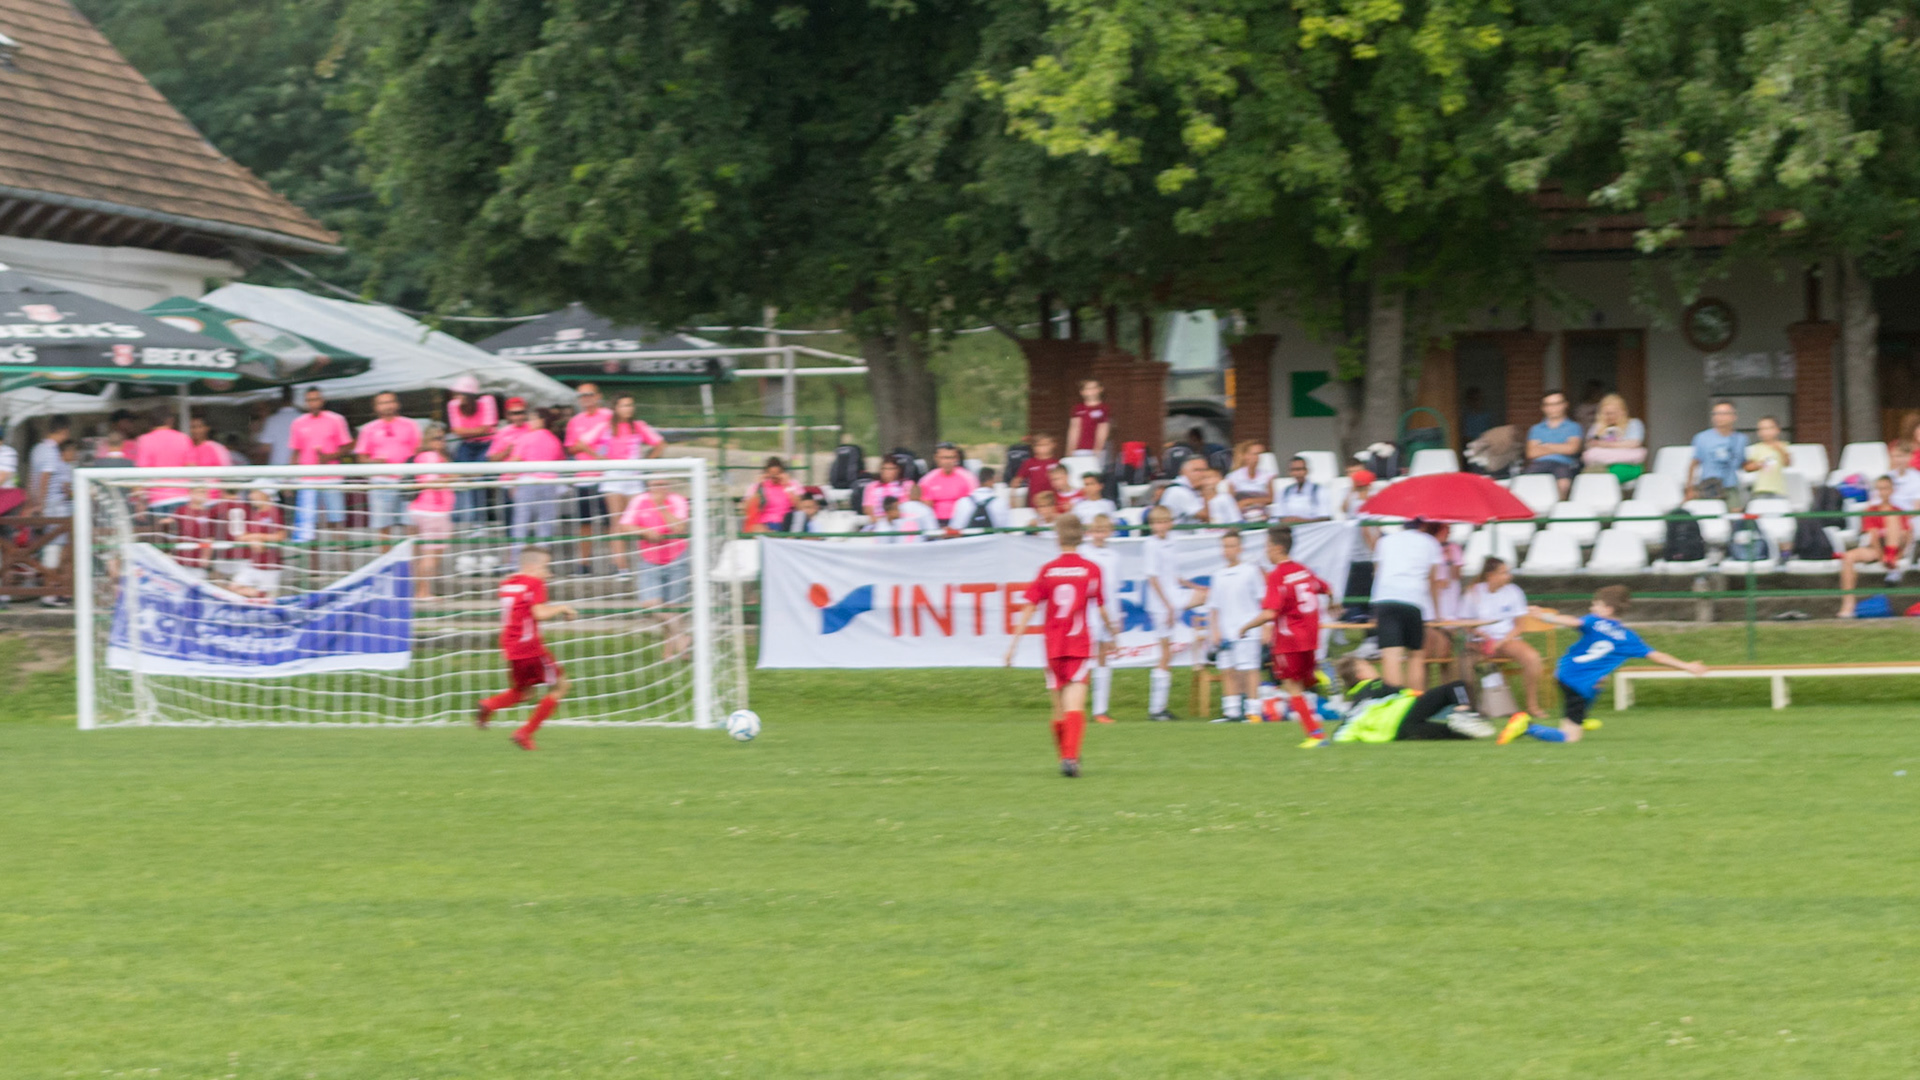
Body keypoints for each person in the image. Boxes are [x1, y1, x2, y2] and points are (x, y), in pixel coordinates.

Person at [1501, 586, 1706, 744]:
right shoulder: (1628, 637)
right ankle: (1526, 726)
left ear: (1607, 609)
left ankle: (1578, 718)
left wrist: (1544, 616)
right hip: (1577, 684)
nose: (1592, 608)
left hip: (1565, 671)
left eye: (1596, 605)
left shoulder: (1593, 621)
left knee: (1600, 679)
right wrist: (1687, 666)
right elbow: (1658, 657)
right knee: (1570, 738)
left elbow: (1572, 622)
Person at [1005, 515, 1115, 778]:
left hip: (1053, 646)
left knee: (1058, 709)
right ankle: (1070, 757)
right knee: (1075, 706)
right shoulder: (1092, 569)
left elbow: (1029, 608)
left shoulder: (1047, 570)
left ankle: (1065, 756)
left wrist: (1013, 644)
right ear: (1082, 536)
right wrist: (1112, 635)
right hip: (1078, 645)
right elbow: (1100, 608)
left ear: (1058, 537)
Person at [474, 547, 578, 751]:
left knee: (524, 692)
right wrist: (562, 608)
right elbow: (538, 613)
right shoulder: (535, 583)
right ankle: (524, 733)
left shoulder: (507, 584)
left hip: (511, 647)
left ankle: (489, 704)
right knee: (561, 686)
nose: (547, 573)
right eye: (545, 567)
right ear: (533, 566)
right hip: (530, 648)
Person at [1239, 525, 1331, 739]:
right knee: (1299, 681)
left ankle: (1316, 735)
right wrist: (1334, 603)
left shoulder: (1277, 575)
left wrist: (1245, 627)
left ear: (1278, 548)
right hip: (1311, 638)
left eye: (1267, 547)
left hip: (1289, 640)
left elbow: (1270, 614)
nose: (1266, 551)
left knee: (1291, 686)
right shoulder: (1303, 569)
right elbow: (1326, 588)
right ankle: (1315, 675)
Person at [1319, 655, 1494, 745]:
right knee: (1456, 687)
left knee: (1457, 734)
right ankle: (1464, 713)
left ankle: (1464, 723)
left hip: (1401, 732)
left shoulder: (1357, 702)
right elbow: (1405, 693)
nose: (1373, 668)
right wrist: (1420, 695)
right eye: (1368, 665)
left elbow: (1342, 733)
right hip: (1407, 711)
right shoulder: (1374, 685)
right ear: (1360, 674)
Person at [1459, 556, 1544, 717]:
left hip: (1507, 640)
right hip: (1480, 641)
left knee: (1532, 658)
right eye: (1504, 573)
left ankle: (1532, 706)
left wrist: (1501, 642)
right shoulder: (1473, 592)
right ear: (1491, 575)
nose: (1509, 576)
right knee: (1465, 662)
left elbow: (1519, 625)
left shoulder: (1514, 592)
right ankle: (1471, 707)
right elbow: (1465, 623)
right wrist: (1480, 634)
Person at [1370, 518, 1446, 691]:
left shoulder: (1385, 541)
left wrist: (1374, 610)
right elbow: (1433, 580)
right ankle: (1414, 702)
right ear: (1424, 524)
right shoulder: (1430, 543)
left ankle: (1394, 703)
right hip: (1413, 598)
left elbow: (1377, 572)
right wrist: (1437, 612)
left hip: (1385, 598)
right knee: (1415, 655)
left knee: (1391, 654)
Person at [591, 393, 666, 565]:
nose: (628, 409)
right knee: (617, 522)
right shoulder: (606, 426)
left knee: (641, 520)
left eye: (630, 405)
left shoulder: (638, 426)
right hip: (614, 477)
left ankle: (647, 561)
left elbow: (660, 443)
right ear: (616, 408)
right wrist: (598, 457)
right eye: (624, 405)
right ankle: (621, 567)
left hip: (633, 478)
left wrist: (647, 462)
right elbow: (582, 443)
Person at [617, 482, 690, 657]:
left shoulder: (678, 501)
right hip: (649, 559)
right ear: (648, 486)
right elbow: (624, 526)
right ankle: (681, 639)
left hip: (676, 558)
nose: (659, 488)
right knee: (651, 605)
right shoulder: (639, 501)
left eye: (663, 484)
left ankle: (669, 653)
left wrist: (661, 508)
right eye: (655, 485)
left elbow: (679, 527)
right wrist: (645, 531)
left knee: (673, 608)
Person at [1204, 529, 1267, 722]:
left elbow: (1262, 601)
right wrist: (1214, 630)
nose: (1228, 550)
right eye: (1225, 546)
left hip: (1247, 629)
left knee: (1249, 669)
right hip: (1225, 630)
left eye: (1232, 546)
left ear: (1240, 548)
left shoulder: (1250, 571)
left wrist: (1265, 628)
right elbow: (1214, 606)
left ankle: (1253, 711)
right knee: (1228, 670)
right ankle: (1231, 711)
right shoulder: (1218, 575)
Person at [494, 406, 566, 564]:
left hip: (527, 483)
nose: (529, 422)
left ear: (541, 420)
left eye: (532, 418)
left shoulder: (526, 438)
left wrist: (511, 481)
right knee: (545, 525)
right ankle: (542, 563)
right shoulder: (554, 440)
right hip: (549, 484)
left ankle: (516, 563)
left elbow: (516, 460)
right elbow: (560, 461)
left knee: (521, 524)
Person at [1142, 505, 1193, 721]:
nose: (1161, 526)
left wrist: (1195, 587)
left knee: (1210, 596)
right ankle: (1157, 709)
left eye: (1164, 521)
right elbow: (1153, 578)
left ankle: (1159, 708)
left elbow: (1175, 576)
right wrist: (1169, 606)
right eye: (1157, 522)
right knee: (1165, 652)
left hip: (1175, 595)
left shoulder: (1171, 543)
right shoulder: (1151, 545)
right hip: (1161, 603)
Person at [355, 392, 422, 547]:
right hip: (381, 482)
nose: (387, 406)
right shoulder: (368, 429)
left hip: (407, 481)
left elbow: (419, 452)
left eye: (390, 402)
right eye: (383, 403)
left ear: (397, 404)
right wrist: (374, 462)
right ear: (376, 407)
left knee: (411, 525)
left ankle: (411, 567)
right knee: (383, 527)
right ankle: (387, 567)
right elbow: (361, 458)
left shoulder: (410, 425)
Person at [287, 387, 353, 545]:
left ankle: (343, 564)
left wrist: (329, 457)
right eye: (309, 400)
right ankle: (314, 568)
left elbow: (347, 446)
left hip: (332, 477)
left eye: (316, 399)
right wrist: (289, 479)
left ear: (322, 401)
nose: (313, 403)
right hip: (307, 480)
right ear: (305, 403)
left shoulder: (336, 419)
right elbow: (296, 452)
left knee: (337, 521)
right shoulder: (298, 423)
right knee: (310, 524)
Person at [1840, 475, 1907, 616]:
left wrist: (1900, 554)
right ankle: (1848, 603)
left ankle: (1891, 555)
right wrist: (1881, 555)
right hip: (1877, 550)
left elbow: (1906, 535)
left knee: (1892, 519)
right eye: (1879, 489)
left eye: (1885, 488)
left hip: (1894, 549)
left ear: (1892, 490)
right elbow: (1873, 536)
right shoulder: (1871, 510)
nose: (1882, 492)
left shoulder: (1899, 511)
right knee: (1848, 557)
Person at [1077, 513, 1122, 724]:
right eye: (1096, 530)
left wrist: (1116, 616)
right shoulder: (1083, 553)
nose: (1099, 535)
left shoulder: (1114, 556)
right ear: (1090, 531)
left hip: (1107, 611)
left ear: (1109, 532)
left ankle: (1100, 710)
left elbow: (1114, 589)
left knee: (1104, 658)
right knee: (1084, 658)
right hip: (1088, 611)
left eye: (1103, 530)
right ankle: (1076, 706)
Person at [562, 383, 613, 566]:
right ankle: (584, 562)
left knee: (610, 521)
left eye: (589, 394)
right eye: (581, 395)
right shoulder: (575, 421)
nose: (586, 398)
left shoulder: (609, 416)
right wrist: (586, 448)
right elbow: (571, 447)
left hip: (606, 476)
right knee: (585, 522)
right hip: (584, 478)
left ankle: (615, 562)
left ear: (598, 396)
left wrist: (587, 448)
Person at [409, 424, 455, 599]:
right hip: (432, 511)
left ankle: (423, 590)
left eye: (443, 438)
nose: (441, 442)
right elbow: (430, 482)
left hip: (431, 510)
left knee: (432, 554)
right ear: (428, 440)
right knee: (430, 554)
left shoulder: (432, 456)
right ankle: (422, 592)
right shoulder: (430, 456)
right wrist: (451, 479)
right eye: (437, 438)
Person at [446, 375, 500, 525]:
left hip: (486, 444)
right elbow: (458, 431)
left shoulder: (487, 401)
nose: (457, 397)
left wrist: (467, 431)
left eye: (460, 393)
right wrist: (477, 431)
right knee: (459, 477)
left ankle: (479, 521)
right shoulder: (453, 405)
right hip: (468, 445)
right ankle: (461, 517)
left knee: (478, 479)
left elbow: (486, 429)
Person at [225, 481, 287, 598]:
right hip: (253, 564)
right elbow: (241, 537)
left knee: (268, 601)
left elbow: (281, 536)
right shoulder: (254, 514)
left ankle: (261, 595)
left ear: (264, 493)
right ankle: (259, 594)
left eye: (253, 492)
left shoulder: (274, 511)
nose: (250, 496)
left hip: (271, 566)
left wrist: (259, 538)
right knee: (232, 588)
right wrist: (253, 539)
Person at [133, 408, 197, 514]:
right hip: (183, 496)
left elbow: (141, 473)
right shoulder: (183, 438)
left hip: (157, 499)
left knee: (160, 530)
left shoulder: (144, 440)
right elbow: (192, 468)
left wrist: (140, 501)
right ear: (170, 420)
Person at [1523, 389, 1583, 497]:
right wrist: (1561, 447)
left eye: (1557, 404)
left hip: (1564, 464)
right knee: (1525, 483)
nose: (1553, 408)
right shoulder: (1536, 429)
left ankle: (1559, 510)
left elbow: (1572, 448)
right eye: (1549, 405)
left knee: (1563, 485)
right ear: (1543, 408)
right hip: (1539, 464)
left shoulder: (1574, 427)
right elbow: (1531, 453)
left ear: (1565, 405)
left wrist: (1545, 446)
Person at [1688, 401, 1749, 506]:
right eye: (1716, 414)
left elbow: (1742, 463)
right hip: (1709, 487)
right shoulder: (1702, 438)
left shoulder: (1741, 439)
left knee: (1735, 518)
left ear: (1734, 416)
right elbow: (1694, 464)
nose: (1720, 417)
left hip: (1731, 486)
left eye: (1724, 414)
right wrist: (1690, 488)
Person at [1581, 393, 1646, 470]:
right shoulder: (1597, 426)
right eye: (1607, 414)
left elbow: (1634, 443)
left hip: (1627, 463)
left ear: (1622, 411)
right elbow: (1590, 444)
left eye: (1613, 413)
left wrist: (1606, 445)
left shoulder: (1634, 424)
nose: (1610, 416)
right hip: (1600, 462)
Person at [919, 443, 977, 525]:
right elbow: (926, 508)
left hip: (962, 521)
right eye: (944, 458)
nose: (948, 461)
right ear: (936, 458)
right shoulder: (927, 480)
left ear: (957, 459)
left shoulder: (968, 478)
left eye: (951, 458)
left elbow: (973, 503)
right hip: (936, 522)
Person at [27, 415, 72, 516]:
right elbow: (45, 477)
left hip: (40, 503)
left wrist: (32, 502)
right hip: (53, 505)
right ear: (64, 431)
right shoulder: (51, 451)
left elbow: (32, 479)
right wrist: (41, 505)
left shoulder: (37, 448)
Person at [745, 457, 802, 532]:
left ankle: (775, 536)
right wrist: (759, 486)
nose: (775, 477)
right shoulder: (759, 486)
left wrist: (787, 485)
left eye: (777, 473)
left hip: (784, 523)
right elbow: (748, 508)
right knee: (756, 529)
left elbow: (799, 506)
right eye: (771, 474)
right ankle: (774, 536)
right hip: (764, 524)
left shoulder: (792, 484)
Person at [946, 467, 1009, 532]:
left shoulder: (962, 501)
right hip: (994, 540)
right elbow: (1008, 529)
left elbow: (955, 527)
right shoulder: (1001, 502)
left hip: (969, 541)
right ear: (992, 481)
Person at [1271, 455, 1331, 522]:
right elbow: (1279, 515)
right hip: (1289, 529)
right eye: (1294, 470)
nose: (1298, 473)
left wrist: (1301, 521)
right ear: (1290, 472)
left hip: (1313, 529)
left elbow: (1325, 517)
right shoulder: (1284, 492)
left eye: (1301, 469)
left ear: (1307, 471)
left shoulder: (1319, 490)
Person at [1745, 415, 1791, 499]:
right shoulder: (1758, 448)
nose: (1766, 432)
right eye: (1762, 429)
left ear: (1777, 430)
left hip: (1779, 489)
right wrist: (1759, 464)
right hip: (1761, 488)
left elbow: (1787, 463)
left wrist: (1780, 450)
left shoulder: (1782, 445)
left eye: (1769, 428)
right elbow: (1748, 467)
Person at [1224, 441, 1275, 516]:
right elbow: (1230, 500)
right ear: (1245, 456)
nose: (1257, 457)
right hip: (1241, 513)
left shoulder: (1268, 476)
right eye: (1255, 454)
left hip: (1261, 513)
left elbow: (1271, 499)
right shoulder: (1233, 477)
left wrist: (1248, 501)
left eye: (1260, 454)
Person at [255, 387, 301, 466]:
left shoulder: (272, 420)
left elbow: (265, 448)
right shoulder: (302, 418)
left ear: (280, 399)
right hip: (299, 467)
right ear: (294, 398)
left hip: (277, 467)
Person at [1066, 379, 1111, 458]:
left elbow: (1103, 429)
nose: (1091, 391)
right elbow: (1074, 429)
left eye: (1094, 388)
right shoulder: (1078, 408)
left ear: (1100, 389)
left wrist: (1097, 450)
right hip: (1078, 450)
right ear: (1082, 392)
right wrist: (1069, 450)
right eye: (1088, 388)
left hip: (1096, 451)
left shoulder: (1103, 408)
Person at [1157, 456, 1208, 523]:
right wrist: (1208, 491)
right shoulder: (1178, 491)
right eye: (1197, 470)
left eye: (1205, 470)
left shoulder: (1193, 489)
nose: (1203, 474)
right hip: (1176, 533)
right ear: (1183, 472)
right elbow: (1205, 516)